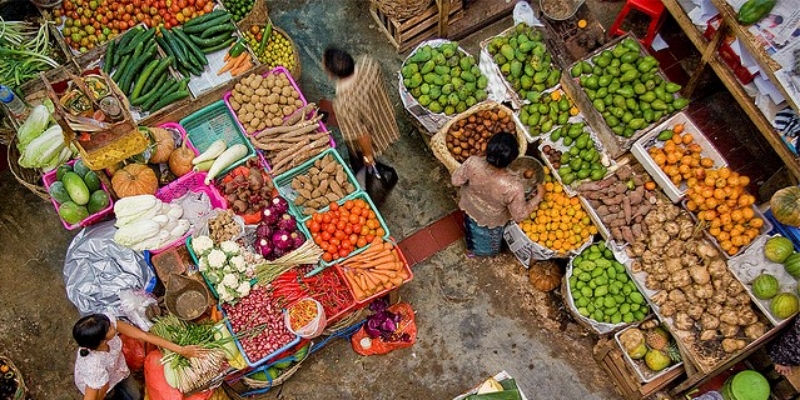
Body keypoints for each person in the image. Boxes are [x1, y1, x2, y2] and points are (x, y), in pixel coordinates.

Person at [451, 132, 544, 257]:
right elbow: (519, 215)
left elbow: (456, 181)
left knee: (471, 229)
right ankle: (480, 252)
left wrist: (475, 162)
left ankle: (471, 249)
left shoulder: (473, 162)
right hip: (492, 219)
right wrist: (537, 197)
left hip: (470, 207)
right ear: (513, 159)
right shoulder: (514, 187)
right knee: (488, 240)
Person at [72, 313, 200, 400]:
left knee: (135, 395)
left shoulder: (105, 323)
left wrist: (181, 350)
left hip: (119, 371)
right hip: (102, 387)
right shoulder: (93, 367)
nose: (114, 325)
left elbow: (143, 336)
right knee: (112, 395)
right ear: (101, 341)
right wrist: (103, 393)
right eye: (110, 328)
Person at [322, 47, 400, 175]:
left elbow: (362, 135)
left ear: (331, 75)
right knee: (382, 131)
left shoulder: (344, 105)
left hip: (371, 134)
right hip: (382, 115)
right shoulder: (368, 64)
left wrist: (368, 157)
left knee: (361, 161)